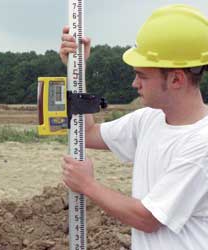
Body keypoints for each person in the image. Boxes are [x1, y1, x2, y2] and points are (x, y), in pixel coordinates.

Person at [60, 4, 208, 250]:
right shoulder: (149, 119)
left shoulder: (201, 144)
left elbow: (148, 218)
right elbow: (86, 134)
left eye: (142, 75)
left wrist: (87, 185)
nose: (134, 83)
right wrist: (77, 69)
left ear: (176, 79)